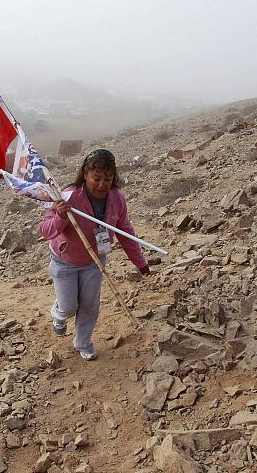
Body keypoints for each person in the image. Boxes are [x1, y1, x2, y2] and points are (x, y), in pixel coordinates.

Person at [39, 148, 150, 361]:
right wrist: (61, 216)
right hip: (65, 262)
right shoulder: (68, 196)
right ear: (86, 174)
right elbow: (45, 230)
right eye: (96, 178)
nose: (102, 184)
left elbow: (125, 231)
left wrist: (140, 262)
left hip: (94, 261)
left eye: (108, 179)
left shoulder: (117, 199)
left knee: (90, 305)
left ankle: (83, 343)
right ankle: (59, 314)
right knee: (69, 306)